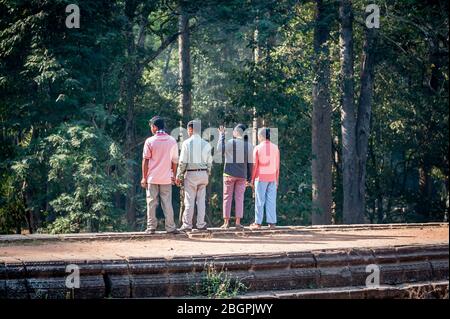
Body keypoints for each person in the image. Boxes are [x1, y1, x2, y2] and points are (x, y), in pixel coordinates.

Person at [140, 116, 179, 234]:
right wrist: (173, 174)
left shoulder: (150, 141)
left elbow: (145, 160)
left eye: (151, 126)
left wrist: (144, 177)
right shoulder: (172, 140)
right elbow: (174, 161)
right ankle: (170, 227)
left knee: (151, 202)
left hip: (152, 177)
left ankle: (151, 227)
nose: (151, 128)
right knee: (167, 203)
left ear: (155, 127)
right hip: (166, 178)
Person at [176, 120, 213, 232]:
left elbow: (182, 162)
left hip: (191, 173)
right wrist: (208, 173)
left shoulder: (187, 143)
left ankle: (187, 225)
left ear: (191, 129)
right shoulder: (206, 144)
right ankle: (201, 224)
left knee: (189, 200)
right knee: (201, 201)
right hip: (203, 173)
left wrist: (179, 174)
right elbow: (209, 162)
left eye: (188, 129)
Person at [217, 124, 253, 229]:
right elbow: (250, 164)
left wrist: (221, 135)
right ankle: (238, 222)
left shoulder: (231, 142)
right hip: (242, 176)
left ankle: (226, 222)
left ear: (237, 132)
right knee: (239, 198)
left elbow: (220, 149)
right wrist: (249, 178)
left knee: (227, 197)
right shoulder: (249, 146)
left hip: (229, 174)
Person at [250, 127, 280, 230]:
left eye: (258, 135)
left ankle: (258, 223)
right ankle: (272, 223)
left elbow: (255, 165)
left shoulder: (258, 148)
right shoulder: (275, 147)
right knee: (271, 201)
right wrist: (277, 180)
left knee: (260, 200)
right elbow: (277, 166)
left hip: (261, 177)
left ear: (261, 136)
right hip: (272, 177)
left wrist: (252, 180)